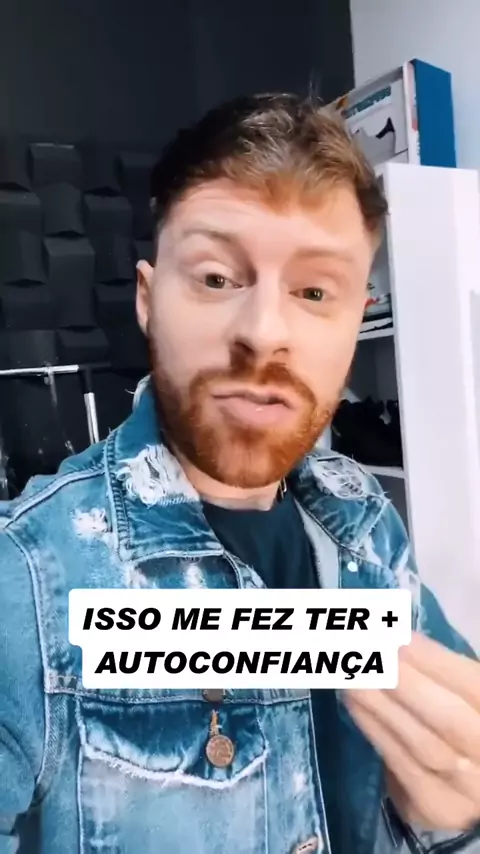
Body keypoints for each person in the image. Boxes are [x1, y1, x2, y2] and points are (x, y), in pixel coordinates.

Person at [0, 93, 479, 854]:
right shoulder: (24, 581)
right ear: (148, 300)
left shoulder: (367, 522)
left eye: (314, 292)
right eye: (218, 278)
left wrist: (453, 810)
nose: (263, 333)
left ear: (356, 320)